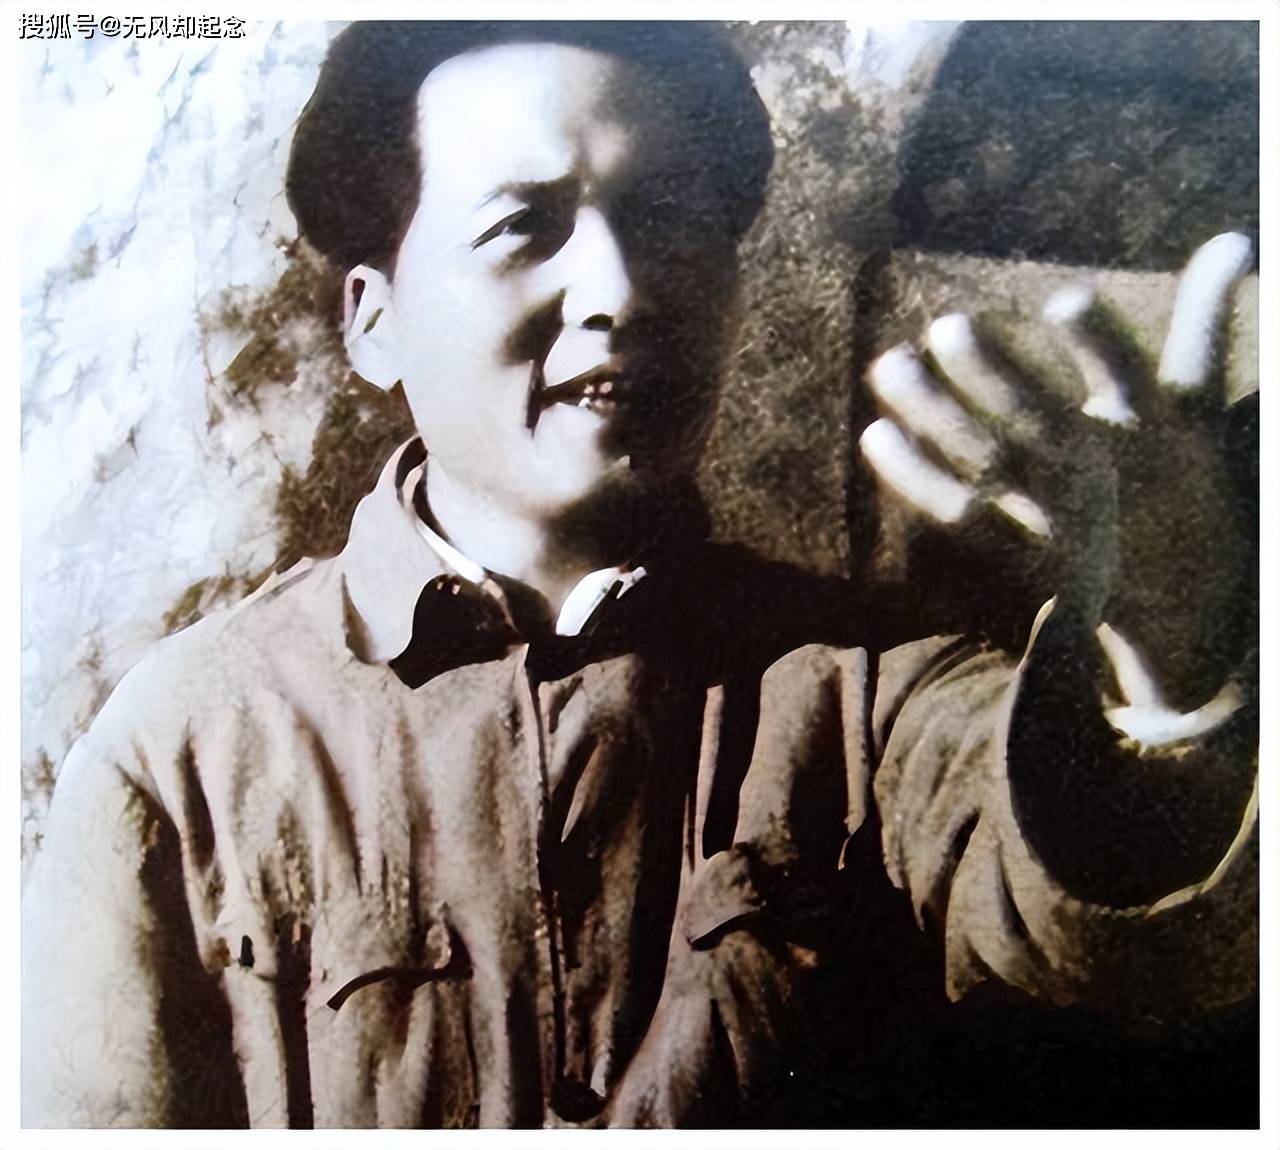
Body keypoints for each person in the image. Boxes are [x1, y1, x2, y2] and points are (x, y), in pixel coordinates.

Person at [21, 21, 1258, 1129]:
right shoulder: (185, 751)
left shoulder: (873, 698)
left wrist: (1173, 643)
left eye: (665, 217)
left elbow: (1137, 961)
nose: (618, 290)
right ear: (373, 319)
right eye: (522, 227)